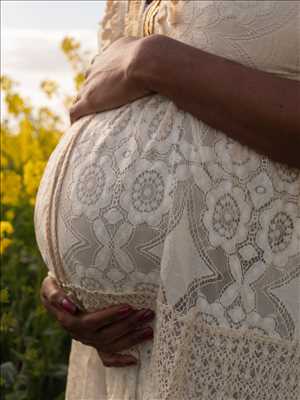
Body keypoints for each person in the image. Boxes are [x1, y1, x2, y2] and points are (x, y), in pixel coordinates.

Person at [36, 1, 300, 399]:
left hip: (256, 340)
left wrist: (151, 59)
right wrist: (67, 281)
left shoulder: (149, 59)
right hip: (128, 357)